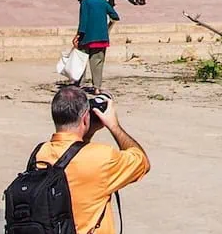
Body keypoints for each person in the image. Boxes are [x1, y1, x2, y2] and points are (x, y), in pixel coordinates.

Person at [33, 83, 150, 234]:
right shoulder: (102, 158)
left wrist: (86, 130)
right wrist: (114, 126)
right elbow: (142, 161)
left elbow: (73, 152)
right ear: (84, 119)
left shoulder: (40, 154)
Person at [77, 0, 118, 89]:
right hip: (102, 38)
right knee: (98, 63)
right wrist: (107, 29)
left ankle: (80, 84)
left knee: (81, 60)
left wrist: (78, 35)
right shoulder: (102, 1)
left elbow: (83, 20)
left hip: (87, 38)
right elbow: (115, 16)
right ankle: (97, 88)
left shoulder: (85, 2)